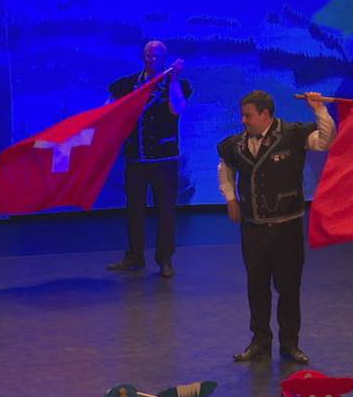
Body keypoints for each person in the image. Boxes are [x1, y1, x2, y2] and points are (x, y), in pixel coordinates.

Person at [217, 90, 335, 364]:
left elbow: (326, 140)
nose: (243, 120)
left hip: (286, 229)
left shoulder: (293, 135)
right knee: (256, 287)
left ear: (265, 114)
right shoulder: (236, 145)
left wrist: (318, 109)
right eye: (243, 115)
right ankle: (259, 341)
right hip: (253, 229)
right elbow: (225, 169)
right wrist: (231, 198)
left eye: (248, 115)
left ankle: (290, 344)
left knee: (289, 288)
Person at [106, 40, 192, 278]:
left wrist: (173, 79)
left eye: (155, 55)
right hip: (136, 159)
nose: (150, 59)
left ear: (164, 58)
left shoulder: (175, 84)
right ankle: (134, 256)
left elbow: (177, 109)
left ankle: (165, 259)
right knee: (134, 209)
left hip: (164, 160)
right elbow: (109, 111)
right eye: (147, 54)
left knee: (165, 210)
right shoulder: (129, 84)